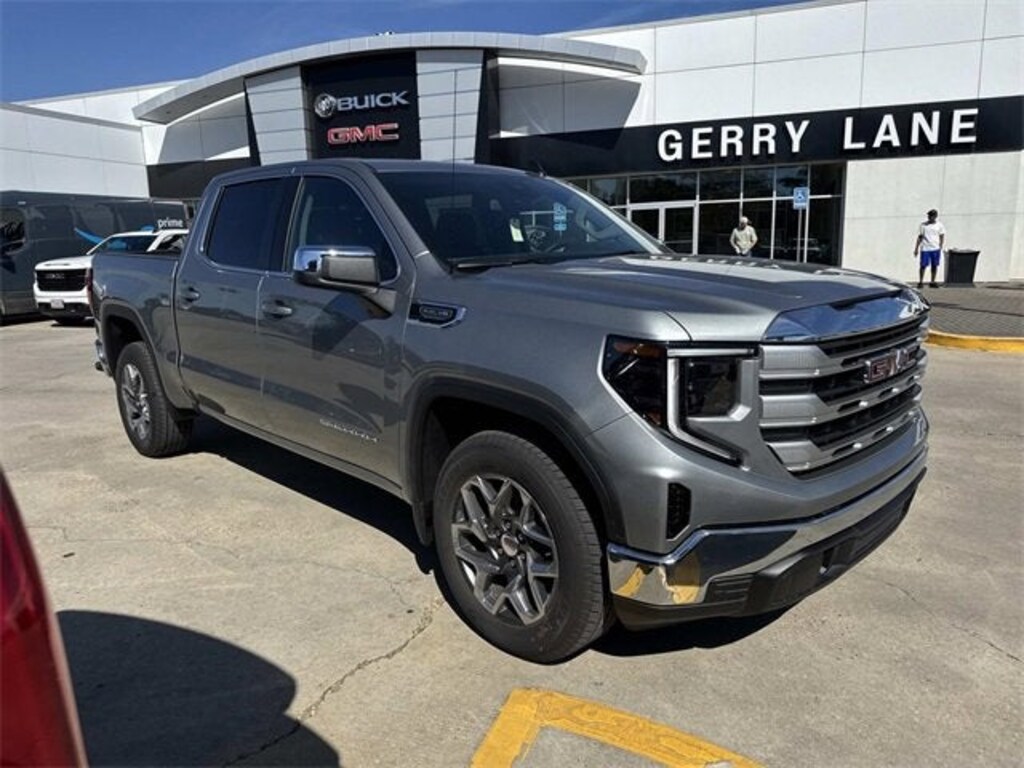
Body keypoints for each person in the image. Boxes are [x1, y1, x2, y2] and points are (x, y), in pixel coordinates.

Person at [914, 209, 945, 288]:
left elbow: (941, 236)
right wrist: (916, 248)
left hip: (935, 248)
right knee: (923, 265)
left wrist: (940, 245)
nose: (929, 217)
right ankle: (921, 281)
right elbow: (920, 237)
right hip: (925, 248)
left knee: (934, 265)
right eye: (929, 215)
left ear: (935, 216)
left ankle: (932, 281)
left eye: (931, 215)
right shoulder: (923, 225)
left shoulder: (939, 225)